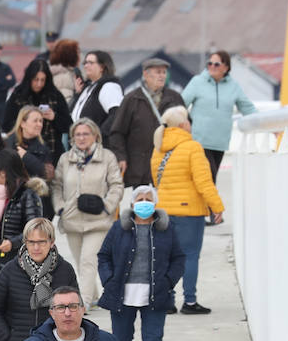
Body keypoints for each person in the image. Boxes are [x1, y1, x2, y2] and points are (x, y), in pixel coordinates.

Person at [97, 185, 186, 341]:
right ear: (132, 203)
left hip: (156, 293)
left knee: (153, 339)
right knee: (121, 339)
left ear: (155, 203)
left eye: (148, 199)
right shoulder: (119, 228)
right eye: (140, 199)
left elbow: (179, 258)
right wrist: (109, 280)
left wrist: (167, 282)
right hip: (122, 293)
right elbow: (104, 255)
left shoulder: (167, 228)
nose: (144, 202)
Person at [151, 106, 224, 315]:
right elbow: (203, 182)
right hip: (188, 212)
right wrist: (217, 207)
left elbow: (156, 180)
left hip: (163, 211)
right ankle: (190, 301)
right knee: (190, 256)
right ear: (183, 125)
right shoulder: (192, 147)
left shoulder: (158, 148)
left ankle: (168, 301)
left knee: (167, 257)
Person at [52, 118, 123, 306]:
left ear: (95, 136)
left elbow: (116, 184)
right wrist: (60, 207)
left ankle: (82, 304)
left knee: (88, 260)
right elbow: (57, 186)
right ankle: (93, 295)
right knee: (79, 261)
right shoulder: (66, 159)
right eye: (78, 134)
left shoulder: (107, 157)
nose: (81, 138)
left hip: (98, 220)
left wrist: (108, 206)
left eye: (86, 134)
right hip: (72, 219)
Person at [107, 58, 186, 188]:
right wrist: (121, 157)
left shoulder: (174, 97)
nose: (162, 76)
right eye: (158, 72)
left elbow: (186, 129)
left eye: (164, 72)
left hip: (168, 165)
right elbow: (117, 132)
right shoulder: (132, 99)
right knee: (141, 206)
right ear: (145, 75)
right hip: (140, 167)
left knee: (166, 206)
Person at [182, 50, 257, 179]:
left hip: (220, 142)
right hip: (199, 141)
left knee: (211, 179)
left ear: (226, 67)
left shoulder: (233, 86)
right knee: (207, 178)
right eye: (209, 63)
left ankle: (206, 200)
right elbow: (181, 104)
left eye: (216, 64)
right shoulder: (197, 82)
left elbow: (248, 108)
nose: (212, 67)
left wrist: (271, 128)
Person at [2, 59, 72, 161]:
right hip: (22, 152)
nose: (39, 84)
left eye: (42, 80)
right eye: (36, 79)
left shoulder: (55, 96)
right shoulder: (18, 95)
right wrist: (25, 125)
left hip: (52, 153)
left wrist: (54, 117)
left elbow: (69, 125)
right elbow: (6, 124)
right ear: (29, 78)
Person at [6, 106, 56, 218]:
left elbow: (48, 174)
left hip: (37, 206)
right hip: (11, 206)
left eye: (41, 121)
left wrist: (26, 156)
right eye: (35, 121)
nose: (39, 124)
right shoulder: (7, 145)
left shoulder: (44, 148)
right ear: (23, 123)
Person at [71, 50, 123, 131]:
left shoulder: (109, 86)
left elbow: (116, 114)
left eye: (90, 63)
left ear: (102, 67)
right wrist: (77, 95)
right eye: (85, 63)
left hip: (97, 142)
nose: (86, 66)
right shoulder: (88, 87)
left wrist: (99, 135)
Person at [48, 38, 81, 103]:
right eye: (77, 53)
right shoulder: (63, 77)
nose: (80, 56)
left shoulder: (68, 73)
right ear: (71, 55)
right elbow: (67, 104)